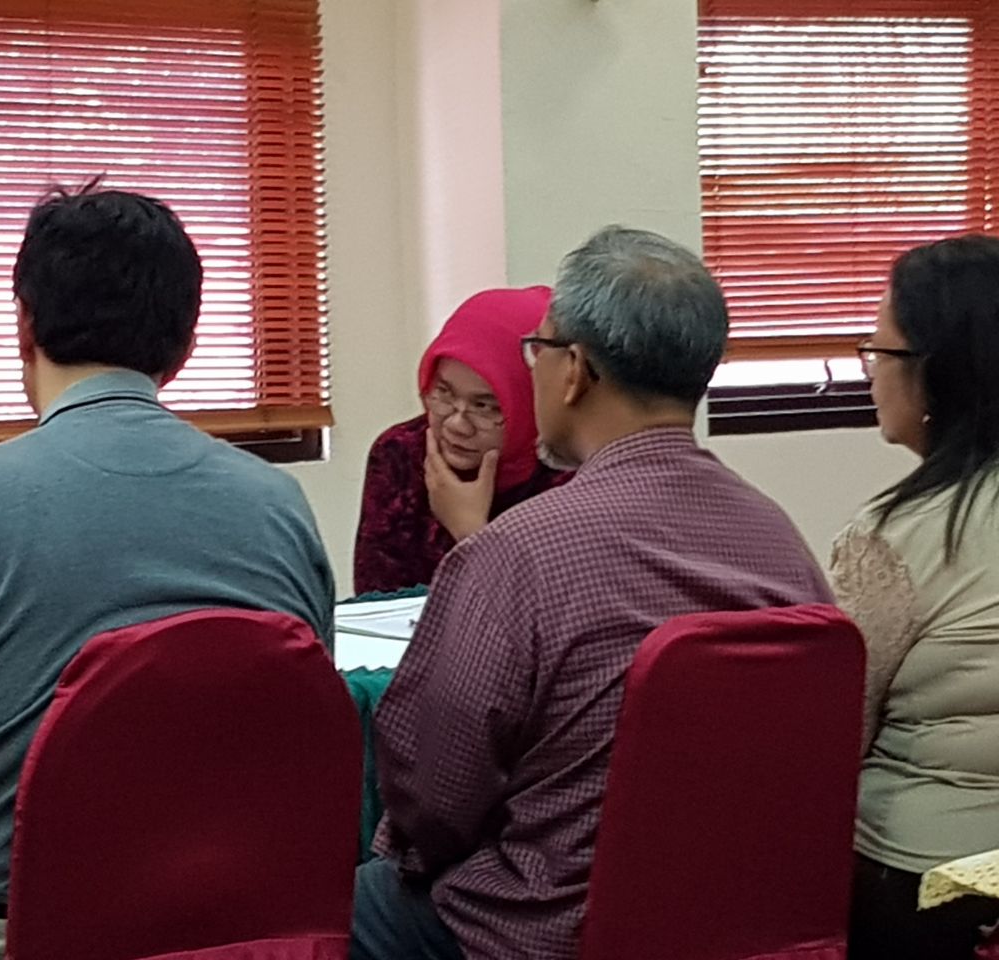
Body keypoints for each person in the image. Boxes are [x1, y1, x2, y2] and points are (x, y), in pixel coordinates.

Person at [0, 184, 334, 960]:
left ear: (25, 326)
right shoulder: (278, 503)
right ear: (184, 343)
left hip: (6, 935)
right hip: (237, 937)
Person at [350, 226, 834, 960]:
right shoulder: (781, 545)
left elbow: (433, 799)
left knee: (327, 905)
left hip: (539, 927)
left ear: (573, 370)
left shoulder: (516, 552)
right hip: (737, 922)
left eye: (535, 352)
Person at [828, 235, 999, 960]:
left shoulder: (890, 538)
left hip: (931, 883)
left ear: (935, 373)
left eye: (879, 351)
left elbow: (835, 735)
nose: (871, 372)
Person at [352, 286, 570, 594]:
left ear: (532, 400)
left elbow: (551, 612)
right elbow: (376, 602)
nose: (457, 425)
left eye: (485, 406)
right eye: (443, 392)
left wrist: (470, 531)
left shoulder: (570, 473)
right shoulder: (400, 453)